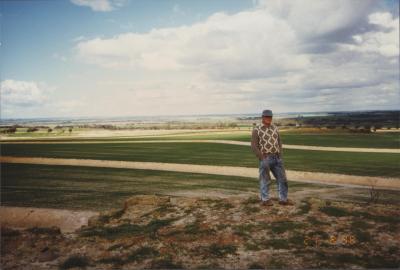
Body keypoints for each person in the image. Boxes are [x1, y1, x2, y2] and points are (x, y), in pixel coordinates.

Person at [251, 109, 293, 206]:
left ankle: (283, 199)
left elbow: (279, 142)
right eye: (266, 117)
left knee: (283, 179)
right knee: (265, 179)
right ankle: (265, 200)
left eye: (270, 117)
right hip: (265, 158)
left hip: (277, 157)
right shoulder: (256, 130)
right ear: (262, 117)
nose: (268, 118)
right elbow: (253, 146)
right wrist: (262, 158)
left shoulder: (275, 128)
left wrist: (280, 155)